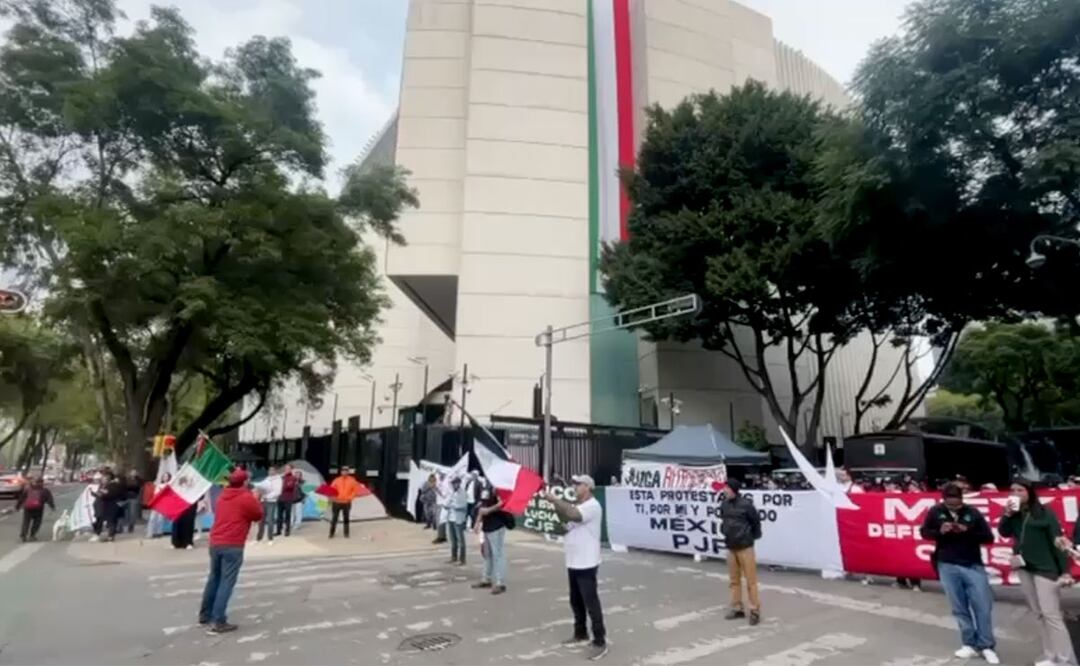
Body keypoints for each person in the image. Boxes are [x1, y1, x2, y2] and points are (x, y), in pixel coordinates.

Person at [920, 483, 999, 664]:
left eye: (957, 505)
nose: (954, 508)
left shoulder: (973, 513)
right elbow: (924, 532)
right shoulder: (935, 511)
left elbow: (989, 538)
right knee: (959, 608)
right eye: (950, 505)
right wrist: (940, 531)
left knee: (983, 606)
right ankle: (969, 643)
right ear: (944, 500)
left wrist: (968, 531)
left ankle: (986, 645)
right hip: (946, 564)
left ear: (962, 500)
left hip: (972, 564)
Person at [1000, 481, 1076, 666]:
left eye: (1020, 490)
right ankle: (1050, 656)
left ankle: (1066, 660)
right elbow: (1004, 532)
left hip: (1045, 569)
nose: (1016, 493)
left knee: (1052, 615)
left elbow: (1058, 542)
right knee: (1038, 614)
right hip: (1025, 568)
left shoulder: (1044, 512)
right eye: (1013, 490)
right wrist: (1007, 515)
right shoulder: (1014, 514)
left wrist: (1065, 571)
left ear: (1030, 492)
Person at [545, 475, 608, 661]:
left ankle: (600, 640)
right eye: (573, 484)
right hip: (573, 560)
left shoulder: (593, 506)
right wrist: (554, 505)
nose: (574, 486)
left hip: (587, 562)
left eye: (578, 484)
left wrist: (555, 499)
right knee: (576, 601)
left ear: (587, 487)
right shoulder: (578, 506)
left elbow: (572, 515)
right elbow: (564, 522)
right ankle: (580, 632)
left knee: (591, 603)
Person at [199, 468, 263, 635]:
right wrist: (256, 498)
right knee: (226, 582)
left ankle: (205, 615)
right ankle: (218, 620)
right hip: (232, 543)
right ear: (244, 482)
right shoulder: (245, 497)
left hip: (215, 542)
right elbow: (258, 515)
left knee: (214, 578)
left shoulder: (222, 496)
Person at [720, 479, 762, 625]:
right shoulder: (724, 505)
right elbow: (723, 521)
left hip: (745, 547)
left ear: (733, 489)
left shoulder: (746, 505)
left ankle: (755, 610)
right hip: (731, 547)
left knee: (751, 581)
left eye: (726, 488)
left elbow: (756, 523)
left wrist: (751, 538)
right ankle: (737, 607)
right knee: (734, 581)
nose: (724, 490)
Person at [472, 478, 510, 595]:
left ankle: (500, 582)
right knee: (487, 554)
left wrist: (489, 510)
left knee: (498, 554)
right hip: (487, 525)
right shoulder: (486, 484)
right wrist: (477, 521)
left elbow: (502, 502)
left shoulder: (498, 485)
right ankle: (486, 579)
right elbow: (481, 505)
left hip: (496, 524)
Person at [16, 475, 55, 542]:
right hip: (38, 509)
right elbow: (49, 500)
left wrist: (18, 506)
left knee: (26, 521)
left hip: (28, 508)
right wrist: (52, 507)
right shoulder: (45, 490)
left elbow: (22, 498)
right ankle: (32, 535)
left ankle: (23, 535)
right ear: (42, 483)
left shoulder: (28, 489)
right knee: (37, 522)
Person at [91, 471, 125, 542]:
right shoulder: (103, 485)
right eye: (102, 478)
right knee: (104, 521)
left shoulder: (113, 485)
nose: (102, 479)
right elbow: (101, 493)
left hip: (111, 506)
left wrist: (102, 494)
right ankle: (108, 536)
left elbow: (109, 494)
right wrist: (95, 493)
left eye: (104, 478)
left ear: (108, 478)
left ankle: (110, 536)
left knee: (111, 521)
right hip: (104, 506)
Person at [329, 466, 362, 538]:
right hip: (336, 502)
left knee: (346, 519)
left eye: (346, 470)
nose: (344, 472)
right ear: (341, 472)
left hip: (346, 503)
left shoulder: (352, 480)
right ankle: (331, 533)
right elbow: (331, 489)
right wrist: (333, 497)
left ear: (348, 472)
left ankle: (346, 533)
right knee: (334, 518)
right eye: (343, 470)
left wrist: (350, 498)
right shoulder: (336, 480)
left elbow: (355, 491)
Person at [253, 466, 281, 543]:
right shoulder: (267, 479)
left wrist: (267, 496)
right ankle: (259, 538)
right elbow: (261, 487)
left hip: (271, 501)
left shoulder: (278, 480)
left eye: (272, 470)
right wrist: (258, 488)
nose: (270, 472)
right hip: (263, 501)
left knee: (270, 520)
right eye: (269, 470)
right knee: (261, 520)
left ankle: (270, 538)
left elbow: (277, 492)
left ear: (275, 471)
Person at [446, 476, 468, 565]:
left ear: (459, 483)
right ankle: (453, 557)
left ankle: (462, 559)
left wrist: (454, 506)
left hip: (458, 518)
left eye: (455, 483)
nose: (454, 485)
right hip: (451, 517)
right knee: (453, 539)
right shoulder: (452, 492)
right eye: (453, 483)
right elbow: (448, 502)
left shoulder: (462, 493)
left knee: (460, 540)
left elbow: (464, 506)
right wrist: (447, 505)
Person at [145, 472, 172, 539]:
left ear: (169, 478)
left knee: (160, 519)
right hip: (156, 503)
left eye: (166, 476)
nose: (165, 478)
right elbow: (155, 494)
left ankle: (159, 532)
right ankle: (150, 533)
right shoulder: (159, 485)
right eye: (164, 476)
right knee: (152, 518)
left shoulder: (169, 486)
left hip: (163, 504)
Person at [276, 465, 298, 537]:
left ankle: (287, 530)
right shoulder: (282, 477)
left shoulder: (293, 478)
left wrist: (283, 486)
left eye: (288, 468)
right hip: (280, 498)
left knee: (287, 516)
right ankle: (278, 530)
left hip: (288, 499)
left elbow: (289, 486)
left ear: (291, 470)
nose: (286, 470)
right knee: (279, 515)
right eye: (285, 468)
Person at [123, 469, 144, 534]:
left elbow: (139, 487)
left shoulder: (139, 480)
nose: (133, 473)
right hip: (126, 497)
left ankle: (131, 526)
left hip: (134, 497)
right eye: (132, 472)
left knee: (132, 513)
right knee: (127, 512)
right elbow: (124, 487)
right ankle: (126, 524)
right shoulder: (126, 479)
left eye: (135, 472)